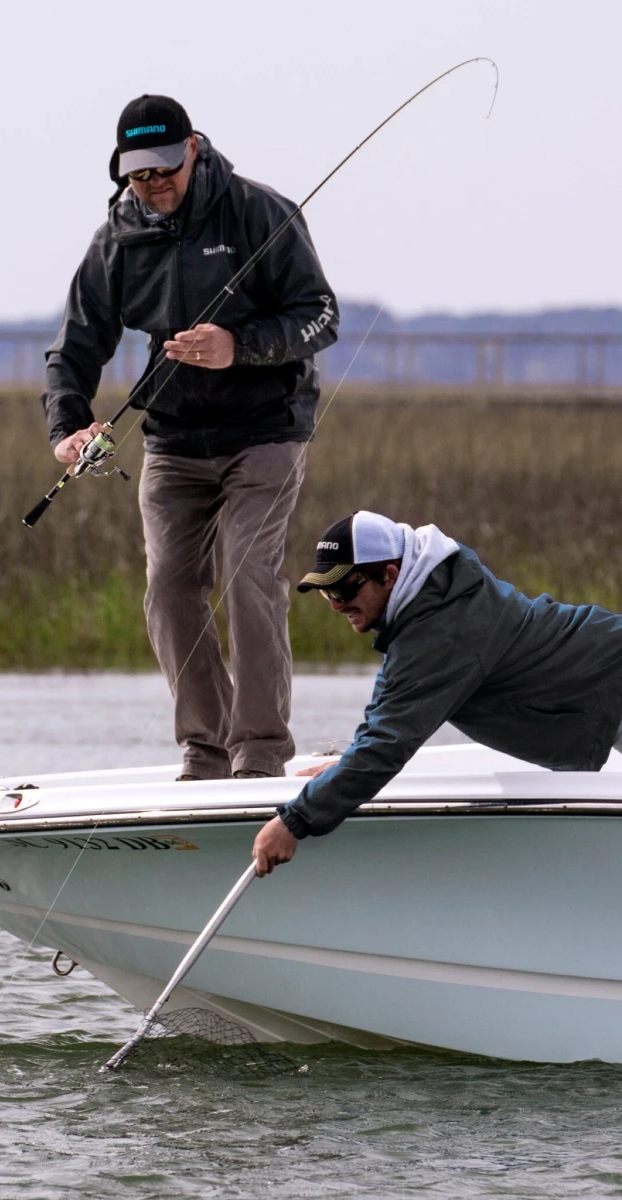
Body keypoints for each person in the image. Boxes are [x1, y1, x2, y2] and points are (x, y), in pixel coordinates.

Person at [42, 93, 339, 782]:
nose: (154, 185)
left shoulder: (259, 211)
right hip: (173, 441)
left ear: (193, 151)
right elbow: (74, 347)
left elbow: (320, 317)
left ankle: (261, 752)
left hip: (265, 432)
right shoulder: (117, 238)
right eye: (139, 174)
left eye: (165, 169)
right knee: (171, 589)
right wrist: (68, 427)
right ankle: (204, 752)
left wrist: (237, 345)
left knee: (247, 579)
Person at [253, 511, 622, 875]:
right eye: (326, 592)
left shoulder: (440, 631)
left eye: (345, 587)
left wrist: (294, 821)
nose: (336, 604)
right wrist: (346, 767)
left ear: (390, 574)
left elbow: (386, 743)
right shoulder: (429, 606)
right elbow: (388, 718)